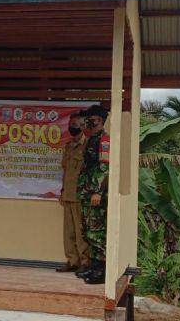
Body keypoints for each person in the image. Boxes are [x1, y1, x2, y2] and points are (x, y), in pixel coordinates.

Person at [75, 105, 110, 285]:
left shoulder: (104, 139)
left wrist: (98, 191)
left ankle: (102, 270)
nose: (88, 122)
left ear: (100, 120)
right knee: (88, 231)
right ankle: (94, 265)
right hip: (86, 192)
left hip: (95, 194)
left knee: (97, 232)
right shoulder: (92, 139)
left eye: (91, 119)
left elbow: (105, 167)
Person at [56, 113, 90, 274]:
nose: (72, 128)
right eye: (70, 125)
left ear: (83, 126)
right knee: (68, 231)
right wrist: (63, 191)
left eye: (75, 125)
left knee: (80, 231)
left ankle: (85, 262)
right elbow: (66, 170)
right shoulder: (69, 146)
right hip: (68, 194)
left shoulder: (88, 146)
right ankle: (72, 261)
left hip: (80, 195)